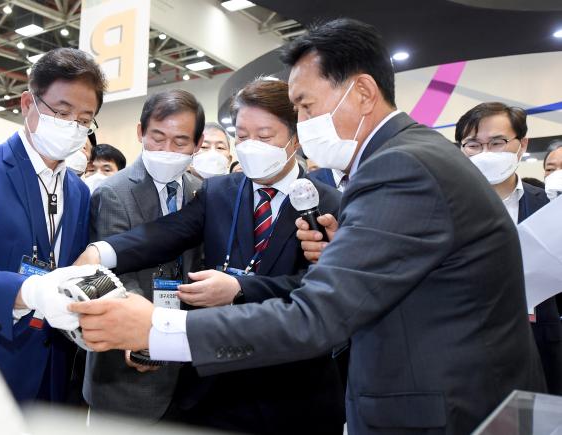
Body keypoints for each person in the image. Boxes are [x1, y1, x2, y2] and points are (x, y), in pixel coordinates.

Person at [69, 18, 545, 435]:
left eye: (306, 105)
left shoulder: (400, 167)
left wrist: (159, 327)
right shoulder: (407, 156)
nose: (302, 121)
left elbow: (316, 315)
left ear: (362, 92)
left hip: (444, 408)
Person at [79, 79, 345, 434]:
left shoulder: (330, 204)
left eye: (265, 136)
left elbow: (323, 291)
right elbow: (167, 232)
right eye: (243, 136)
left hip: (294, 391)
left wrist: (240, 288)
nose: (251, 146)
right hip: (217, 392)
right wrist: (102, 251)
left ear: (294, 139)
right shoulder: (219, 191)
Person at [0, 48, 105, 402]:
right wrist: (33, 291)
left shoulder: (78, 191)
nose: (73, 126)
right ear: (28, 103)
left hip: (50, 369)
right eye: (62, 112)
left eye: (84, 119)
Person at [83, 89, 204, 422]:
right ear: (140, 132)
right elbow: (111, 274)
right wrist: (145, 331)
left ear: (197, 143)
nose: (167, 150)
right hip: (126, 372)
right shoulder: (113, 192)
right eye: (158, 138)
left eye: (180, 142)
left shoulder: (201, 193)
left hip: (186, 371)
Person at [455, 102, 562, 395]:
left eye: (497, 142)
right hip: (467, 349)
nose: (485, 153)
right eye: (473, 145)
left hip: (541, 345)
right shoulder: (443, 208)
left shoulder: (549, 205)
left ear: (521, 144)